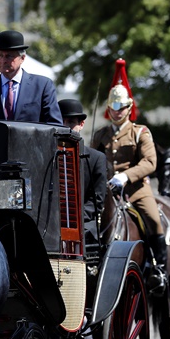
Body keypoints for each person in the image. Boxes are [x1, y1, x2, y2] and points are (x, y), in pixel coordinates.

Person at [91, 59, 166, 292]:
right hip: (107, 191)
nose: (116, 112)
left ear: (129, 107)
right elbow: (93, 160)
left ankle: (159, 266)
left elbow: (150, 162)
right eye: (113, 108)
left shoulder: (140, 132)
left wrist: (125, 176)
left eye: (121, 108)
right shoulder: (101, 134)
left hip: (135, 190)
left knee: (153, 218)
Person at [0, 30, 62, 125]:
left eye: (9, 56)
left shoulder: (42, 86)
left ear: (22, 58)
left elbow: (54, 125)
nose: (3, 60)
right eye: (0, 56)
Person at [58, 98, 107, 249]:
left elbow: (96, 202)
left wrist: (71, 218)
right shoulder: (46, 156)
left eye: (71, 122)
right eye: (62, 121)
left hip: (83, 224)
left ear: (81, 124)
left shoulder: (96, 158)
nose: (66, 127)